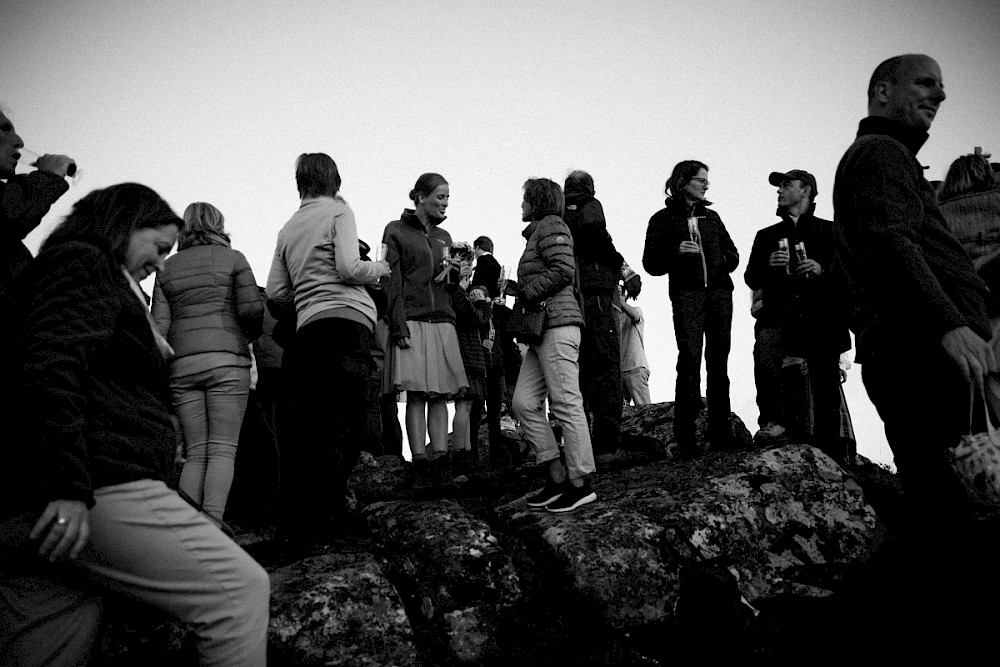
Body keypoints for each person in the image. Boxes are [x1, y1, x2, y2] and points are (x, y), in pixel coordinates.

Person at [2, 183, 269, 666]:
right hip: (93, 484)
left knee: (49, 641)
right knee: (239, 591)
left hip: (41, 501)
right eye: (160, 248)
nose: (162, 265)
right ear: (124, 226)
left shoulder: (79, 272)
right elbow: (49, 364)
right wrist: (67, 484)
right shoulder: (81, 263)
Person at [832, 53, 997, 662]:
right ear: (882, 90)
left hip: (920, 351)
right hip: (919, 354)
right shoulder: (880, 156)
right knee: (947, 513)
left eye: (944, 87)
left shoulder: (888, 158)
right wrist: (950, 325)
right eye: (926, 84)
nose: (940, 96)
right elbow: (891, 244)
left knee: (942, 509)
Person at [266, 153, 389, 546]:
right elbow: (351, 267)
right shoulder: (339, 212)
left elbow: (275, 294)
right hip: (348, 325)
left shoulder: (288, 228)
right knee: (343, 426)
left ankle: (299, 528)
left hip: (307, 333)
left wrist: (306, 300)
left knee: (306, 430)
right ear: (334, 180)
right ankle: (333, 523)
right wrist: (381, 271)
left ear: (299, 181)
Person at [151, 202, 264, 524]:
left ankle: (187, 528)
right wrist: (247, 336)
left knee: (195, 452)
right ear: (218, 225)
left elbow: (158, 326)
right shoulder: (234, 259)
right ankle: (212, 525)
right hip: (227, 361)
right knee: (223, 450)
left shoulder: (167, 267)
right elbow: (251, 310)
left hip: (182, 367)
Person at [744, 170, 852, 461]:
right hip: (779, 316)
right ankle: (773, 423)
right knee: (766, 358)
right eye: (779, 186)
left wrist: (822, 270)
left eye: (786, 185)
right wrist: (768, 265)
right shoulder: (767, 235)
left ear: (806, 190)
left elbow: (849, 274)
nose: (779, 191)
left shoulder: (830, 231)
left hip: (821, 317)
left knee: (825, 384)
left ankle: (830, 447)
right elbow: (751, 277)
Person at [642, 161, 739, 454]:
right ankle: (685, 438)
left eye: (707, 180)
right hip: (687, 295)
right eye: (701, 180)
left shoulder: (712, 217)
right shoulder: (662, 219)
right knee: (690, 361)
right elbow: (651, 263)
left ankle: (721, 435)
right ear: (683, 182)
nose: (706, 185)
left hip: (720, 295)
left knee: (719, 362)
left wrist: (720, 261)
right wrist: (676, 253)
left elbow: (733, 254)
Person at [513, 177, 597, 513]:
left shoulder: (552, 225)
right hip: (543, 329)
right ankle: (557, 475)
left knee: (565, 402)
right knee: (522, 403)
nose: (521, 205)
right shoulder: (541, 230)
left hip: (558, 325)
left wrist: (527, 291)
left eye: (524, 199)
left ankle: (580, 483)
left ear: (536, 201)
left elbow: (564, 270)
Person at [382, 173, 469, 493]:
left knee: (441, 397)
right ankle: (419, 464)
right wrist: (397, 322)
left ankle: (441, 464)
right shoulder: (395, 230)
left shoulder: (445, 237)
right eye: (441, 196)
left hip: (443, 321)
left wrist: (457, 275)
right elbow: (393, 280)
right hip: (413, 320)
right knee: (417, 396)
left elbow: (446, 285)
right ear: (420, 196)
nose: (446, 203)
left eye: (448, 198)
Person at [563, 170, 640, 457]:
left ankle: (578, 445)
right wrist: (624, 268)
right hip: (596, 294)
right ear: (590, 188)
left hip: (571, 297)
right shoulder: (589, 204)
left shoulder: (557, 214)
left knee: (578, 370)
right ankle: (608, 443)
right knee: (607, 366)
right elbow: (594, 235)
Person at [619, 301, 651, 406]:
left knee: (644, 409)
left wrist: (618, 300)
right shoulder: (615, 317)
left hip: (635, 367)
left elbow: (635, 316)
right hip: (620, 371)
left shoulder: (635, 310)